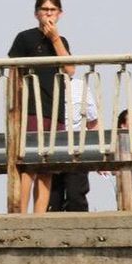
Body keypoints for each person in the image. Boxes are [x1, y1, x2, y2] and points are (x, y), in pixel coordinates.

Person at [8, 0, 75, 213]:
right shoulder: (25, 37)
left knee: (47, 166)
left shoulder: (61, 41)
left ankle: (39, 215)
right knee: (29, 164)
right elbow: (13, 71)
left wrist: (55, 39)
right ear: (37, 13)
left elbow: (70, 69)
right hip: (30, 108)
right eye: (45, 9)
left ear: (60, 14)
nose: (48, 14)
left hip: (54, 108)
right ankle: (20, 213)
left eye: (52, 10)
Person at [48, 77, 99, 212]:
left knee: (76, 194)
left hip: (77, 148)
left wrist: (99, 151)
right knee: (53, 198)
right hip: (52, 147)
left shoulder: (80, 86)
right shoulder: (46, 85)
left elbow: (92, 121)